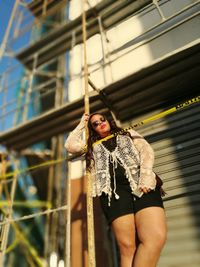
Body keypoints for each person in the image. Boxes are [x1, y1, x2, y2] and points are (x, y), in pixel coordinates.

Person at [65, 113, 167, 267]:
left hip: (141, 185)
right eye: (95, 124)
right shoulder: (90, 145)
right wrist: (82, 124)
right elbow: (70, 145)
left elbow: (146, 151)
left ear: (108, 120)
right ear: (92, 128)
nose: (100, 123)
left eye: (102, 120)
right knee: (128, 248)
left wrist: (146, 176)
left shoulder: (127, 133)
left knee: (156, 237)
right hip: (114, 195)